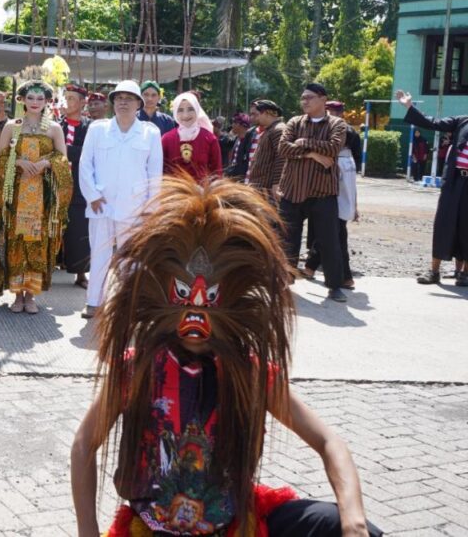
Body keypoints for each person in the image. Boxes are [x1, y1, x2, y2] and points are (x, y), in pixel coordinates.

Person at [69, 177, 381, 537]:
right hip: (152, 530)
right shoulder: (139, 368)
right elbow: (83, 444)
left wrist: (353, 520)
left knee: (341, 527)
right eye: (184, 294)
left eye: (210, 297)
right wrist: (87, 531)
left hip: (231, 528)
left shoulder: (249, 372)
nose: (196, 310)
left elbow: (329, 442)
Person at [0, 80, 71, 313]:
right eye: (30, 98)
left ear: (47, 102)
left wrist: (46, 162)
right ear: (21, 100)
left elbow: (63, 160)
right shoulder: (12, 127)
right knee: (17, 242)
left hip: (43, 197)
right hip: (16, 195)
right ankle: (17, 294)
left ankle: (31, 295)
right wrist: (18, 161)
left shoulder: (54, 128)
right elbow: (0, 160)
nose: (35, 102)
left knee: (37, 243)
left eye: (40, 99)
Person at [78, 80, 162, 319]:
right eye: (119, 98)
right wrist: (92, 195)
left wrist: (151, 208)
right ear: (113, 102)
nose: (123, 102)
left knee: (131, 258)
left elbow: (155, 173)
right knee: (99, 255)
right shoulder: (98, 129)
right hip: (101, 203)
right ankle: (94, 302)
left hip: (135, 205)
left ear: (139, 104)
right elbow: (85, 165)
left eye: (129, 98)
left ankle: (129, 303)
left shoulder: (150, 132)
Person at [277, 83, 349, 302]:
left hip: (322, 192)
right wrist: (314, 155)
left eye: (309, 97)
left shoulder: (337, 124)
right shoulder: (294, 122)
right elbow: (283, 148)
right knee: (288, 239)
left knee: (329, 240)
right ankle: (284, 281)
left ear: (323, 99)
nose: (304, 101)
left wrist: (304, 144)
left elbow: (333, 148)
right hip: (292, 189)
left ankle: (334, 286)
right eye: (302, 98)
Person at [397, 89, 468, 287]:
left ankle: (464, 274)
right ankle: (434, 271)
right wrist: (410, 106)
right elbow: (434, 123)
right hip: (454, 181)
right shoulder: (462, 121)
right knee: (444, 223)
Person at [304, 101, 361, 289]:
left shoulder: (342, 135)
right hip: (325, 188)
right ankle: (314, 267)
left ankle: (341, 274)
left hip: (336, 190)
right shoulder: (323, 129)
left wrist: (354, 203)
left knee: (335, 231)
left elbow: (352, 177)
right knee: (330, 230)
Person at [59, 83, 91, 288]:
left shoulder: (90, 127)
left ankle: (81, 273)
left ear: (82, 103)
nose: (68, 102)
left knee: (80, 228)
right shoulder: (56, 124)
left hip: (80, 185)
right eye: (66, 97)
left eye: (72, 98)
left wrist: (66, 150)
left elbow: (89, 154)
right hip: (57, 182)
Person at [161, 92, 222, 181]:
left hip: (202, 193)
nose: (185, 115)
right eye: (180, 110)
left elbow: (217, 172)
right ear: (175, 112)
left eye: (190, 109)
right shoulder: (166, 140)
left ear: (197, 110)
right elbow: (161, 172)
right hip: (174, 193)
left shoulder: (210, 139)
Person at [246, 99, 286, 198]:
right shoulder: (269, 130)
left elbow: (281, 158)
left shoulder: (278, 130)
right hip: (260, 188)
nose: (252, 118)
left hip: (268, 190)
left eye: (255, 114)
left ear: (267, 113)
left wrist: (277, 184)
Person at [223, 112, 252, 179]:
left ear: (239, 124)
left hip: (242, 179)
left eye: (234, 123)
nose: (232, 125)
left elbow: (244, 164)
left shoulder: (249, 141)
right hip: (234, 176)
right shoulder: (237, 139)